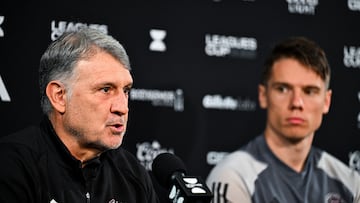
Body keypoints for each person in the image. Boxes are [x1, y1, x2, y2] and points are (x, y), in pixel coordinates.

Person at [0, 28, 160, 202]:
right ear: (59, 96)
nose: (122, 108)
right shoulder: (12, 165)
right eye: (105, 89)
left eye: (126, 91)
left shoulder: (132, 174)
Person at [206, 36, 360, 203]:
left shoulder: (351, 183)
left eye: (309, 91)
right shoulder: (232, 177)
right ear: (263, 95)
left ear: (326, 101)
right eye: (283, 89)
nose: (296, 103)